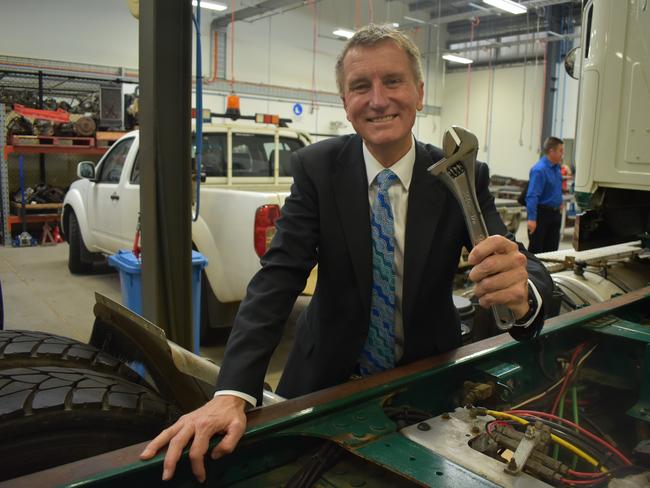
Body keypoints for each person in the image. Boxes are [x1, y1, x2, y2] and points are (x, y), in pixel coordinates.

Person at [141, 24, 554, 483]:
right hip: (323, 379)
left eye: (393, 81)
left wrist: (523, 292)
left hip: (427, 382)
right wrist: (233, 390)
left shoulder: (460, 175)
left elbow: (519, 262)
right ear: (345, 102)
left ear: (419, 92)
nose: (378, 100)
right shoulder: (317, 169)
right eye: (361, 86)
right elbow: (278, 277)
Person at [526, 137, 565, 253]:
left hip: (555, 214)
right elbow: (532, 195)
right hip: (541, 215)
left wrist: (559, 202)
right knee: (537, 250)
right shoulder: (539, 170)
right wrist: (532, 219)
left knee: (552, 250)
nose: (562, 154)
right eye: (560, 151)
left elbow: (556, 188)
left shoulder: (557, 168)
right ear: (551, 151)